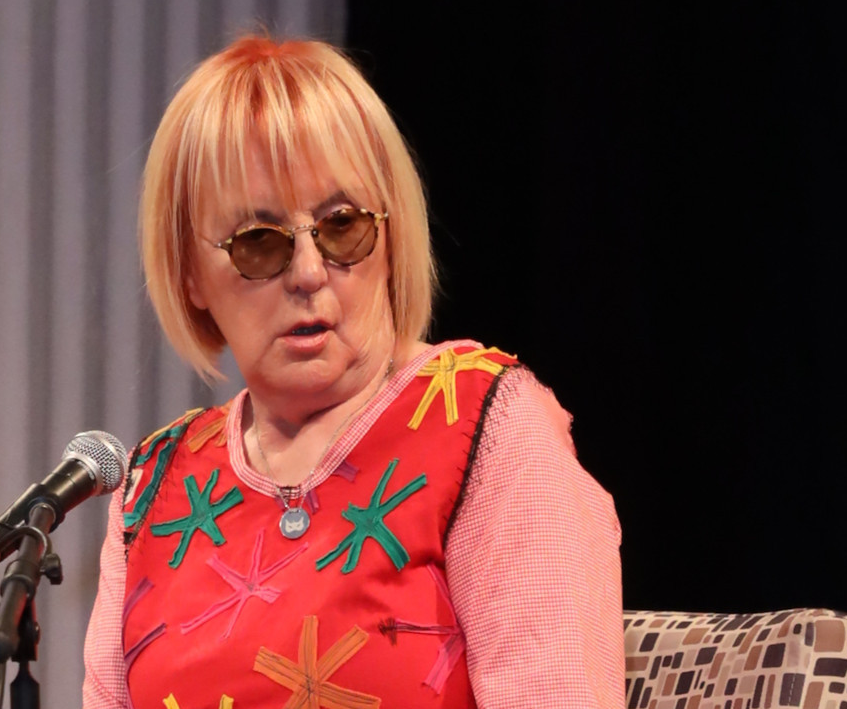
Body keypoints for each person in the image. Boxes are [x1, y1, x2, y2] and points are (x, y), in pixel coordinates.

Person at [83, 35, 623, 709]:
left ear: (390, 235)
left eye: (342, 226)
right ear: (190, 274)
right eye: (259, 242)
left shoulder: (486, 425)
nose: (309, 273)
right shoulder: (154, 486)